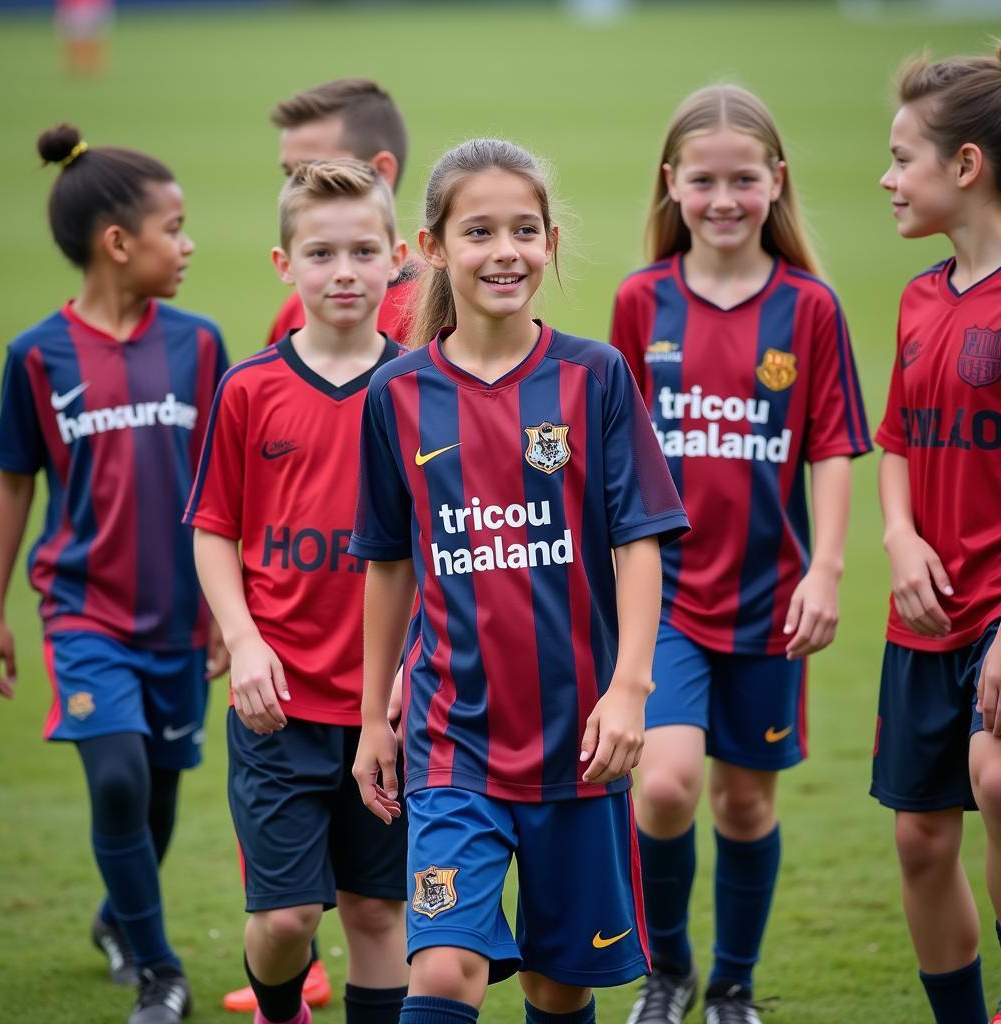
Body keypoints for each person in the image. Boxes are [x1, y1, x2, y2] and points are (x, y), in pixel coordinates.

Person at [349, 137, 690, 1024]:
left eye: (525, 230)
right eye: (479, 232)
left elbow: (641, 541)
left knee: (557, 982)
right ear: (432, 249)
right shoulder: (395, 394)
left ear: (549, 244)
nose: (505, 250)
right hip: (448, 739)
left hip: (576, 741)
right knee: (444, 969)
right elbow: (387, 563)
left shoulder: (595, 375)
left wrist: (629, 689)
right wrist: (366, 721)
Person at [609, 85, 871, 1024]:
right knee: (668, 786)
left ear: (777, 183)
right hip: (667, 595)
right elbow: (614, 447)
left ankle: (733, 987)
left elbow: (835, 445)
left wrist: (827, 568)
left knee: (746, 809)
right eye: (705, 180)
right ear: (672, 183)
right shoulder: (643, 301)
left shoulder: (809, 307)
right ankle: (668, 973)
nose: (725, 199)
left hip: (768, 601)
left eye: (744, 180)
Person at [0, 123, 229, 1024]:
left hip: (179, 615)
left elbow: (229, 485)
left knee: (158, 788)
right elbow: (14, 483)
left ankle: (119, 916)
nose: (189, 243)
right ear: (118, 244)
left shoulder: (201, 346)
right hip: (83, 612)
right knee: (119, 778)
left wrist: (228, 612)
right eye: (175, 227)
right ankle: (163, 972)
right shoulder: (35, 356)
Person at [185, 159, 410, 1024]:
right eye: (321, 253)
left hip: (385, 706)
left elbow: (441, 550)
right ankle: (284, 1012)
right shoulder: (251, 388)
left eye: (362, 250)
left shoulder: (423, 388)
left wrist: (411, 669)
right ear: (286, 266)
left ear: (396, 258)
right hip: (277, 704)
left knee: (377, 909)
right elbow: (214, 528)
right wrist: (242, 639)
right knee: (285, 918)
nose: (344, 271)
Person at [872, 48, 1001, 1024]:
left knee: (997, 781)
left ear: (964, 166)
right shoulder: (921, 297)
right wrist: (899, 536)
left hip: (999, 612)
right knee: (920, 835)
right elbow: (897, 443)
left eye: (901, 156)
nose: (884, 178)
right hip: (927, 608)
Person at [267, 78, 419, 347]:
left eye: (311, 170)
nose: (293, 190)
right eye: (290, 174)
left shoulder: (435, 306)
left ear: (381, 172)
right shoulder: (298, 309)